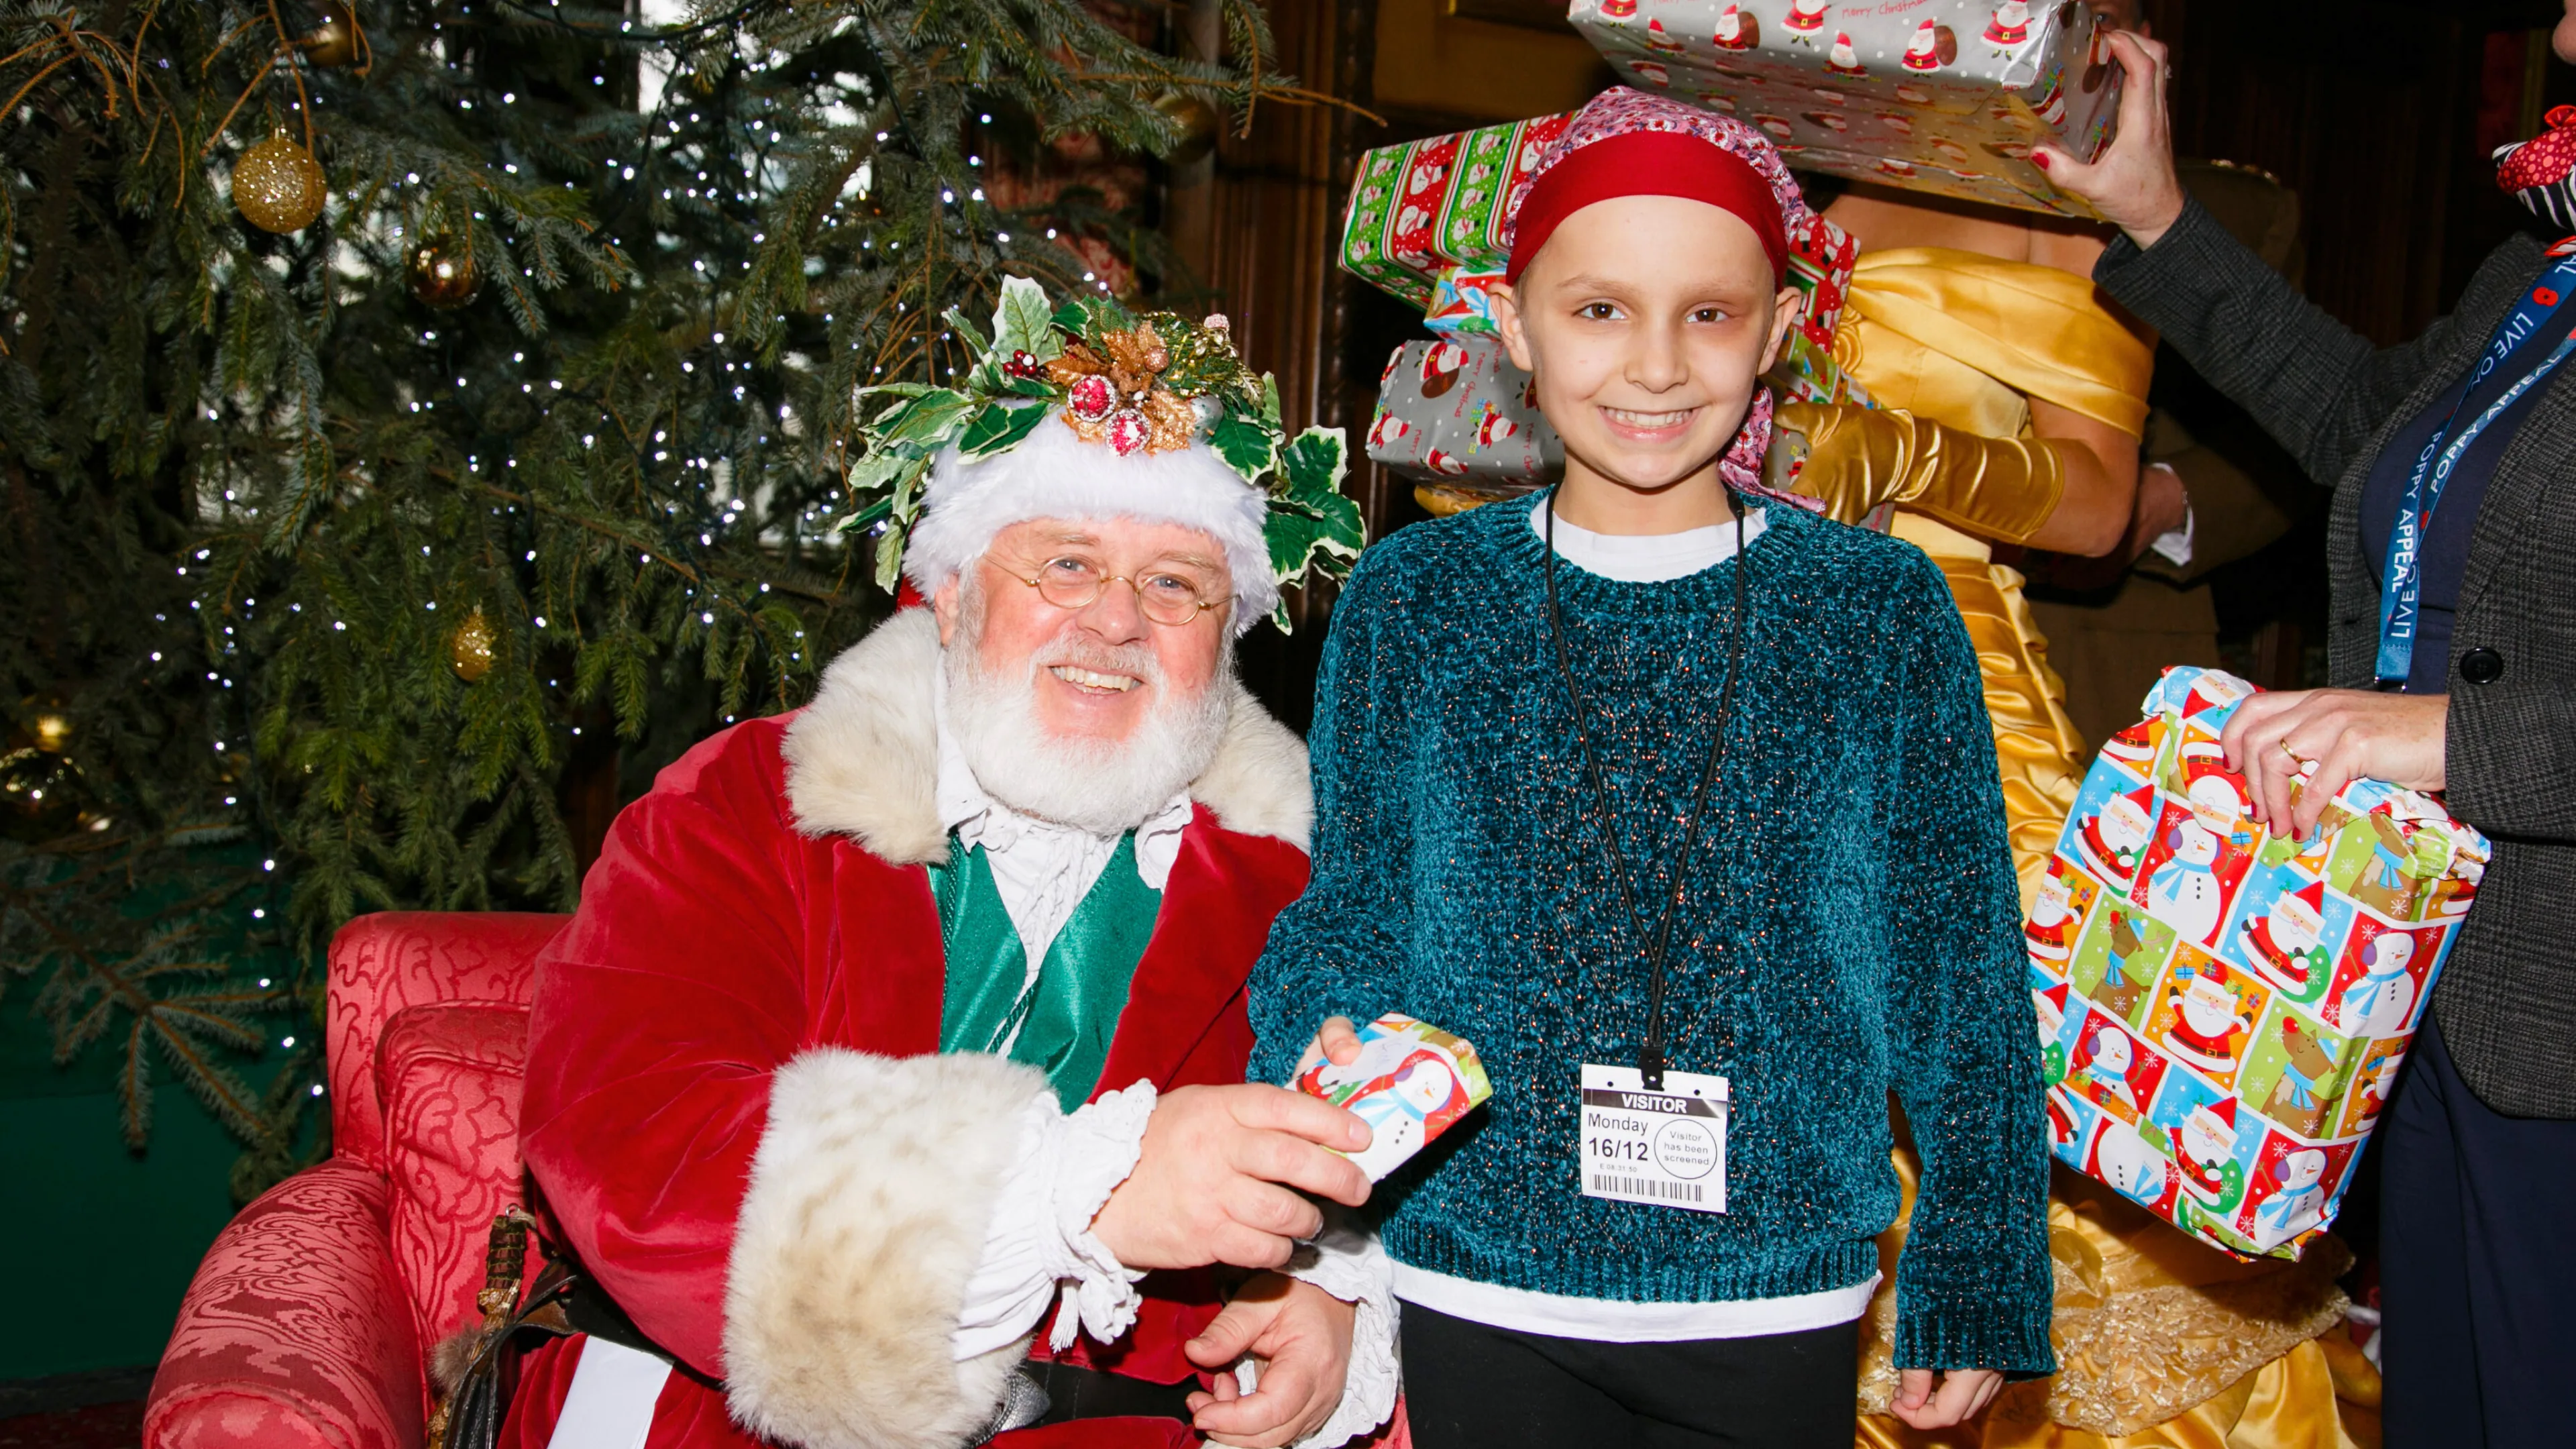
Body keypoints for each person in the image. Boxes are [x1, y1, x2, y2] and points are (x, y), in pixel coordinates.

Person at [1251, 88, 2053, 1449]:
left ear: (1781, 331)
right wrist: (1307, 1093)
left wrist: (1979, 1261)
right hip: (1476, 1267)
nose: (1658, 366)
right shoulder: (1418, 599)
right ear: (1512, 324)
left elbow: (1955, 956)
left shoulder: (1876, 609)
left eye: (1711, 314)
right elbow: (1359, 908)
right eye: (1600, 309)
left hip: (1776, 1286)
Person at [492, 293, 1399, 1449]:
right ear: (956, 591)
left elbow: (1360, 1146)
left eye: (1177, 585)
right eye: (1066, 564)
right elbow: (629, 1138)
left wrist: (1328, 1290)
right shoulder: (746, 801)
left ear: (1225, 639)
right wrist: (1083, 1185)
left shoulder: (1295, 887)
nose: (1117, 622)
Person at [2043, 11, 2576, 1446]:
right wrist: (2154, 208)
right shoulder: (2542, 266)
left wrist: (2446, 740)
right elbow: (2363, 421)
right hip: (2414, 972)